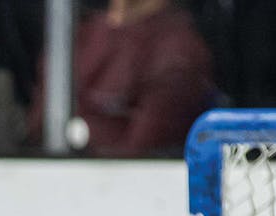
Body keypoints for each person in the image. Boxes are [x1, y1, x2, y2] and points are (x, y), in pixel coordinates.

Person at [27, 0, 214, 158]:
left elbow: (135, 152)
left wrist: (77, 129)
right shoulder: (78, 34)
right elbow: (38, 127)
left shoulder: (179, 52)